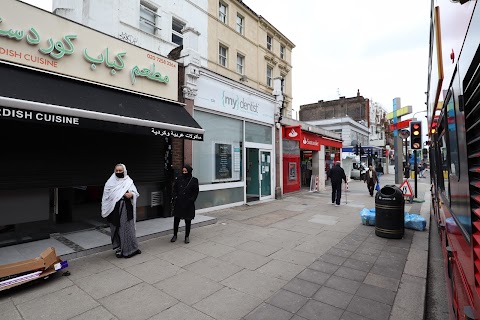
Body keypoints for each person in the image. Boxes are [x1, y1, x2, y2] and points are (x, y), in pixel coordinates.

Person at [101, 164, 141, 258]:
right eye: (117, 171)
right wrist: (116, 197)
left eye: (120, 171)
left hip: (126, 208)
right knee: (117, 228)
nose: (118, 172)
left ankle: (133, 248)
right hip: (115, 209)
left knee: (129, 228)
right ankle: (119, 248)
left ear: (124, 171)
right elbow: (106, 196)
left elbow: (136, 192)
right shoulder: (110, 182)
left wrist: (131, 194)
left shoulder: (128, 181)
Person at [171, 165, 199, 244]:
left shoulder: (194, 180)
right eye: (183, 171)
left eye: (185, 171)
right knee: (176, 219)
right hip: (179, 202)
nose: (184, 173)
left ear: (189, 171)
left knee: (188, 220)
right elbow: (175, 189)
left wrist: (191, 200)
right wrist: (175, 196)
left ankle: (187, 236)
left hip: (188, 203)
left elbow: (195, 192)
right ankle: (175, 235)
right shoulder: (179, 179)